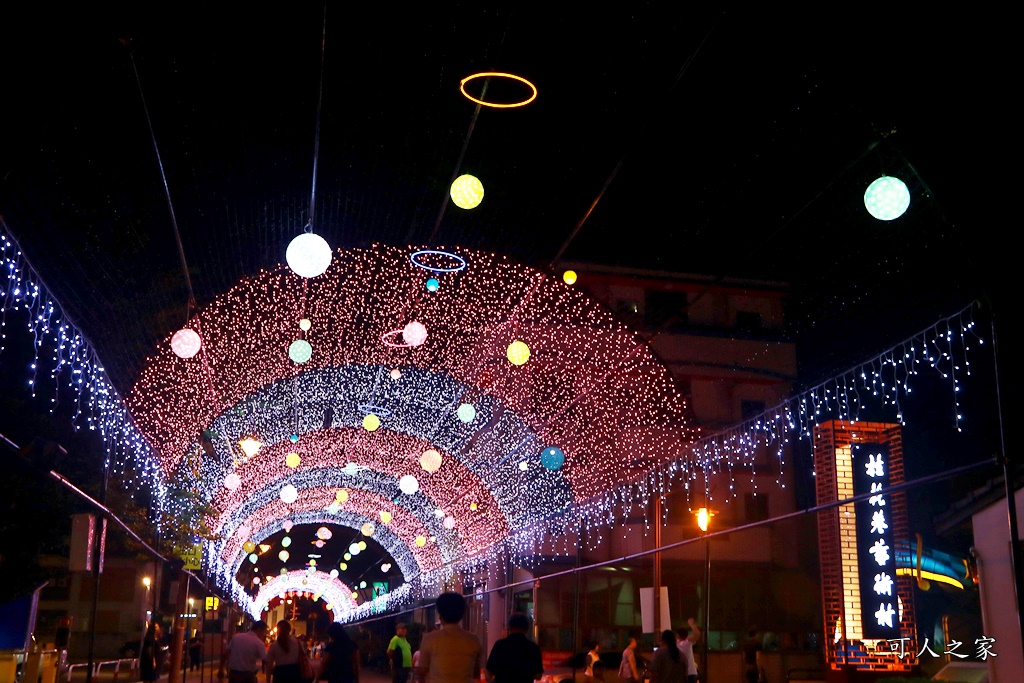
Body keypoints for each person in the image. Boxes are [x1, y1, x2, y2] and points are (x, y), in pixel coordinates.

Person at [416, 592, 482, 683]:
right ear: (462, 614)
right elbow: (476, 672)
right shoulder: (474, 640)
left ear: (440, 615)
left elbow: (422, 671)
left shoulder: (429, 639)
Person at [485, 613, 543, 683]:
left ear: (510, 628)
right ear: (527, 629)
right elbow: (538, 675)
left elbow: (489, 671)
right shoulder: (533, 648)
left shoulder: (500, 645)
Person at [674, 618, 701, 683]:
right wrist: (691, 624)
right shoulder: (687, 643)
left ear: (677, 635)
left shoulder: (676, 643)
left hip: (681, 673)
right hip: (691, 672)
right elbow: (697, 633)